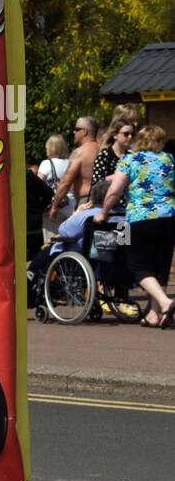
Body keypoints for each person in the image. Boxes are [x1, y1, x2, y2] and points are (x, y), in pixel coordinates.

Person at [95, 125, 175, 328]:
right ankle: (154, 314)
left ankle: (165, 303)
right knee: (160, 266)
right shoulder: (169, 159)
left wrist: (104, 213)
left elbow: (114, 190)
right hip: (169, 217)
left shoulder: (131, 160)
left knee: (137, 266)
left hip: (140, 218)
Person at [49, 117, 99, 221]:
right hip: (107, 203)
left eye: (76, 129)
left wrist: (54, 206)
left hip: (86, 203)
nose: (73, 132)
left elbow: (66, 183)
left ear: (84, 131)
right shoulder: (104, 149)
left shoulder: (80, 152)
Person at [91, 107, 137, 187]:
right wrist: (118, 176)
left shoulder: (131, 155)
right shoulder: (105, 154)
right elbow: (96, 182)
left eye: (132, 134)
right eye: (132, 120)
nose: (135, 123)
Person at [37, 135, 71, 235]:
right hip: (70, 207)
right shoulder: (71, 163)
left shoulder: (46, 163)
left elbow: (38, 183)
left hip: (52, 210)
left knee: (51, 242)